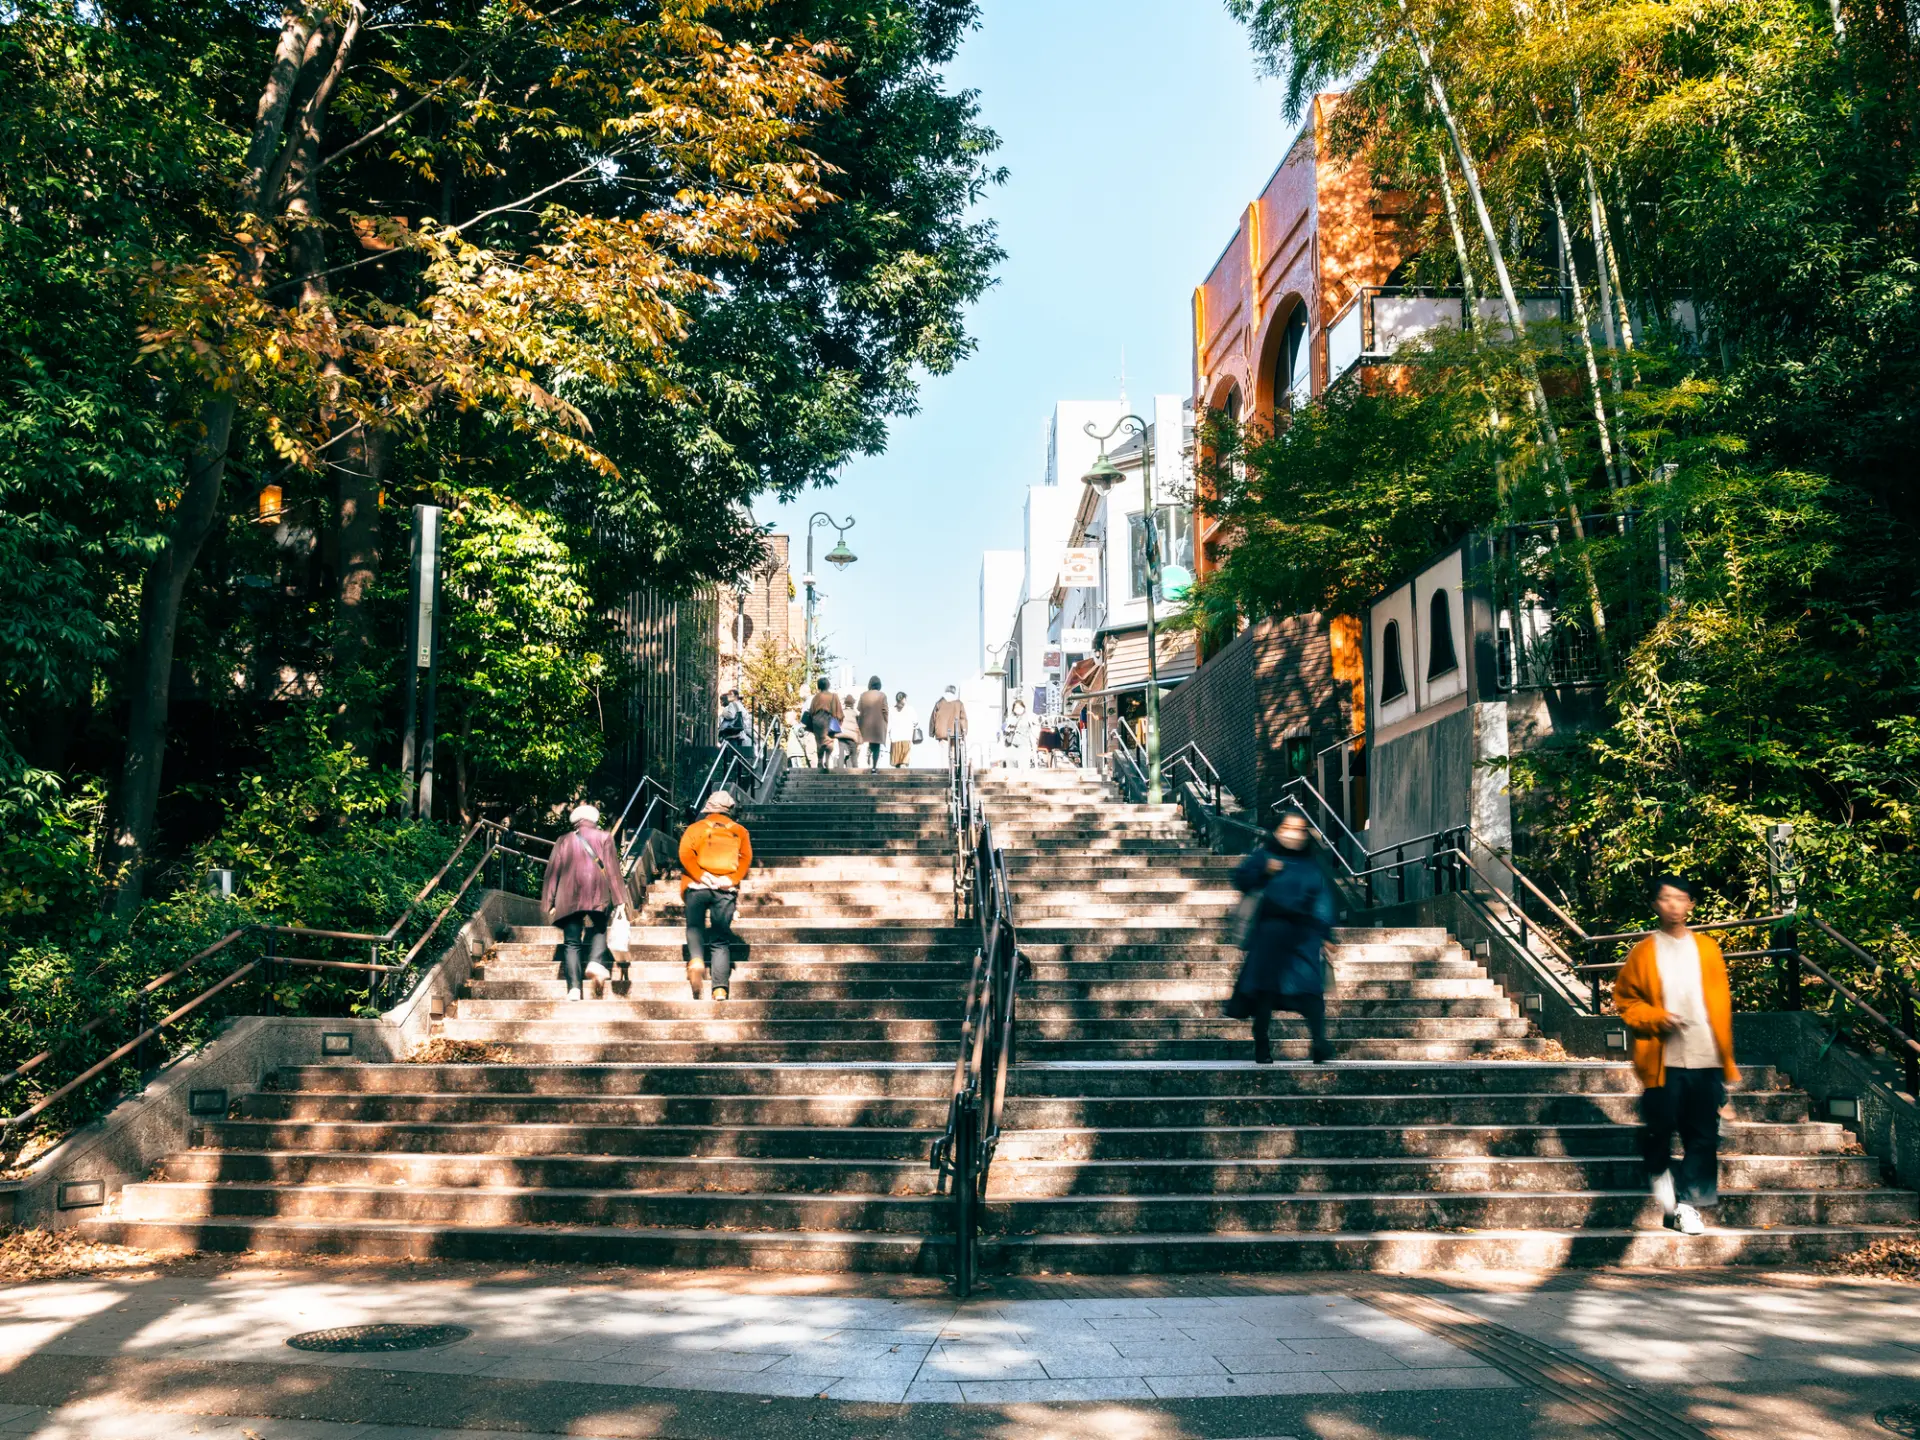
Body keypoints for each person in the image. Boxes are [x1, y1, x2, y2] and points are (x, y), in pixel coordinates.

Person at [1613, 873, 1741, 1237]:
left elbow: (1721, 1007)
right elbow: (1626, 1001)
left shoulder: (1709, 949)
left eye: (1681, 898)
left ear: (1691, 904)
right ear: (1656, 904)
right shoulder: (1644, 952)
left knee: (1703, 1136)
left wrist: (1726, 1062)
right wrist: (1657, 1018)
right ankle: (1659, 1172)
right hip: (1662, 1059)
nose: (1674, 905)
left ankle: (1685, 1205)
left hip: (1706, 1056)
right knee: (1660, 1128)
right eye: (1666, 898)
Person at [1226, 811, 1335, 1063]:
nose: (1294, 834)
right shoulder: (1264, 856)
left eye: (1300, 829)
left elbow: (1322, 899)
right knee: (1265, 992)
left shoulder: (1311, 864)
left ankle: (1319, 1042)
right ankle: (1262, 1043)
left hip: (1304, 936)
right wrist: (1264, 872)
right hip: (1269, 934)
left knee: (1311, 990)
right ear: (1277, 831)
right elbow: (1241, 879)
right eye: (1288, 828)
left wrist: (1325, 933)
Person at [538, 802, 633, 1002]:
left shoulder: (563, 840)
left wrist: (549, 902)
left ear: (575, 821)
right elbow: (612, 870)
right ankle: (595, 962)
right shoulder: (605, 837)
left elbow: (552, 872)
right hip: (598, 892)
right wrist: (619, 900)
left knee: (571, 943)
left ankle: (574, 989)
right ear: (595, 819)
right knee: (600, 927)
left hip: (568, 896)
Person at [677, 790, 753, 1001]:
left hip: (696, 886)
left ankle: (697, 960)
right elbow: (746, 858)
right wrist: (732, 879)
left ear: (708, 808)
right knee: (720, 940)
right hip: (725, 889)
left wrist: (701, 875)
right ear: (729, 810)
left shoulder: (695, 828)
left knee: (694, 927)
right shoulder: (740, 831)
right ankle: (720, 989)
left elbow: (685, 854)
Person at [802, 678, 841, 769]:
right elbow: (838, 711)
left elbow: (811, 711)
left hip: (817, 721)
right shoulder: (833, 696)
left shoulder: (816, 697)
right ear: (828, 685)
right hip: (829, 720)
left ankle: (820, 760)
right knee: (829, 741)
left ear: (819, 686)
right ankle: (827, 759)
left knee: (819, 742)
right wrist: (839, 720)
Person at [856, 677, 889, 771]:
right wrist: (885, 722)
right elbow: (885, 711)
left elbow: (859, 708)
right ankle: (874, 767)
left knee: (866, 742)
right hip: (878, 725)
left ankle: (867, 756)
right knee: (876, 746)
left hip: (865, 724)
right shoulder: (882, 695)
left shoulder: (863, 695)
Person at [889, 691, 919, 769]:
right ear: (904, 699)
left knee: (896, 763)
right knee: (904, 762)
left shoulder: (891, 709)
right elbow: (916, 721)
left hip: (895, 738)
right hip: (906, 737)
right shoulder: (910, 709)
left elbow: (888, 723)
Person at [718, 689, 751, 759]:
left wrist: (723, 713)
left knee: (732, 753)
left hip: (732, 733)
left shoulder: (731, 704)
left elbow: (731, 716)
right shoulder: (739, 705)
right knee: (737, 753)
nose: (729, 696)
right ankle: (737, 764)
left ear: (736, 696)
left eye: (731, 694)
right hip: (738, 732)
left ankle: (733, 764)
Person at [837, 693, 861, 769]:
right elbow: (858, 726)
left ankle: (839, 770)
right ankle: (855, 770)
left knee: (841, 754)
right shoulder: (855, 714)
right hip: (851, 737)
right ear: (853, 704)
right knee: (853, 754)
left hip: (841, 735)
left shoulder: (841, 712)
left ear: (845, 704)